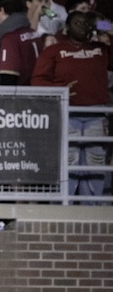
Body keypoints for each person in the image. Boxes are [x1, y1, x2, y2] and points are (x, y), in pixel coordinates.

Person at [32, 11, 112, 200]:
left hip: (96, 113)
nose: (82, 26)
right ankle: (63, 207)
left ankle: (92, 209)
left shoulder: (101, 49)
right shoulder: (54, 50)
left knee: (95, 162)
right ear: (67, 28)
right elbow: (37, 80)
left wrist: (102, 26)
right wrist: (60, 89)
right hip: (67, 113)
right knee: (68, 161)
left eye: (85, 23)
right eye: (77, 23)